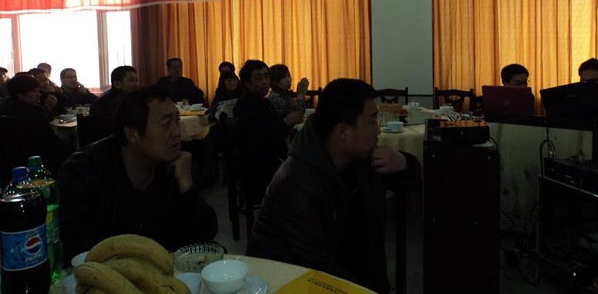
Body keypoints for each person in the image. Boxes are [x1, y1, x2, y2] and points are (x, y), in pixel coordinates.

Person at [247, 79, 420, 293]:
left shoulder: (360, 157)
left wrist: (404, 162)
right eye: (372, 121)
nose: (378, 130)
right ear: (343, 133)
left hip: (345, 273)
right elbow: (319, 271)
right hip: (287, 283)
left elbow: (417, 183)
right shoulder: (297, 182)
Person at [58, 86, 218, 261]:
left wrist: (186, 187)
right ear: (132, 133)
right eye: (166, 124)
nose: (177, 133)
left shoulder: (178, 165)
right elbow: (76, 248)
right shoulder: (83, 172)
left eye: (177, 121)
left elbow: (204, 236)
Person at [233, 60, 303, 203]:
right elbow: (260, 138)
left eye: (266, 77)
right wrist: (287, 121)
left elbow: (276, 130)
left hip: (270, 159)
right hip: (258, 168)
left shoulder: (264, 102)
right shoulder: (246, 105)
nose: (265, 82)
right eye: (259, 78)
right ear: (247, 83)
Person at [0, 74, 72, 175]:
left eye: (38, 90)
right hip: (38, 163)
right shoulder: (32, 115)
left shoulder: (4, 107)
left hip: (10, 165)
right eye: (34, 91)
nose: (39, 94)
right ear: (20, 93)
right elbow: (50, 143)